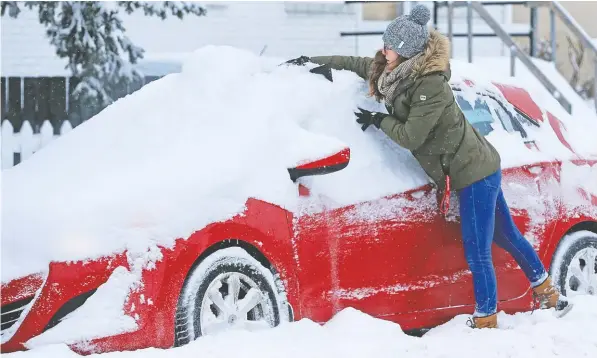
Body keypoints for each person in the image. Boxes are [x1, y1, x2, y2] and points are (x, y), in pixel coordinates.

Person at [285, 4, 571, 329]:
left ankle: (487, 318)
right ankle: (547, 292)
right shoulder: (392, 70)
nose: (383, 49)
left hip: (473, 172)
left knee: (478, 249)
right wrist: (313, 61)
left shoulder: (430, 86)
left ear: (406, 52)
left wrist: (380, 119)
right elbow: (357, 64)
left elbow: (411, 135)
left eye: (390, 45)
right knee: (506, 236)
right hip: (479, 163)